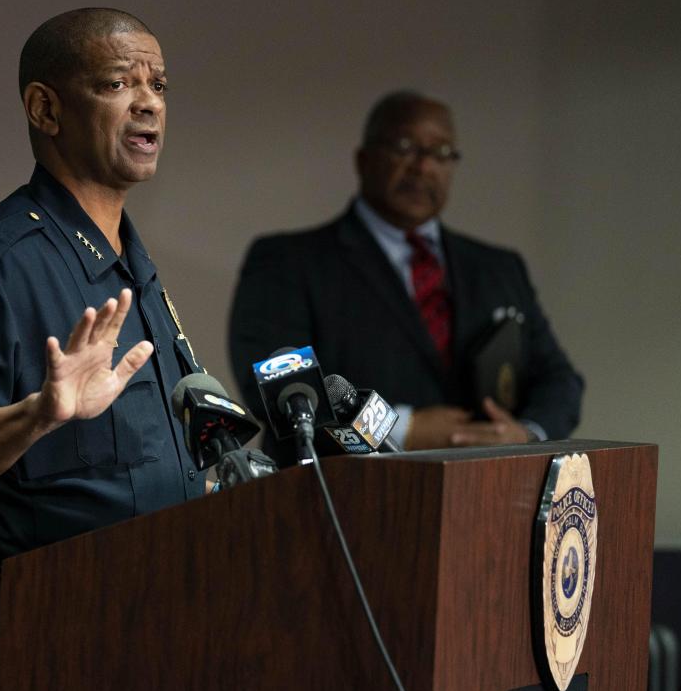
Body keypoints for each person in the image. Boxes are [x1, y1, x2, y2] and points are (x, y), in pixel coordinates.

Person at [0, 8, 204, 691]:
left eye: (158, 83)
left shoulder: (130, 260)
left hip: (143, 634)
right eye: (119, 83)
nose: (149, 100)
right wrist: (39, 413)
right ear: (45, 108)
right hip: (29, 649)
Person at [228, 90, 583, 458]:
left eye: (441, 153)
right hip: (340, 497)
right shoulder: (286, 261)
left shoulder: (500, 268)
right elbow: (278, 391)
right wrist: (403, 428)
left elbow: (560, 381)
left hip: (482, 497)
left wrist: (525, 434)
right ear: (363, 160)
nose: (423, 166)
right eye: (404, 147)